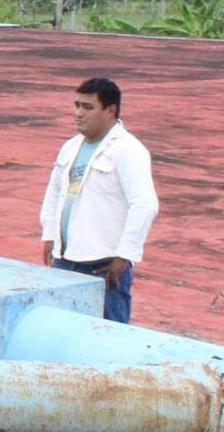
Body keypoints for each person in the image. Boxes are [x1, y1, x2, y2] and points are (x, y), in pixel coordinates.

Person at [38, 77, 158, 323]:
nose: (79, 113)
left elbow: (145, 205)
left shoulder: (128, 150)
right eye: (77, 105)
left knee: (108, 334)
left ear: (110, 111)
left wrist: (123, 257)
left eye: (88, 107)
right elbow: (55, 193)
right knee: (63, 330)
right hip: (65, 260)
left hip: (103, 266)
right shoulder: (71, 147)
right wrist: (50, 236)